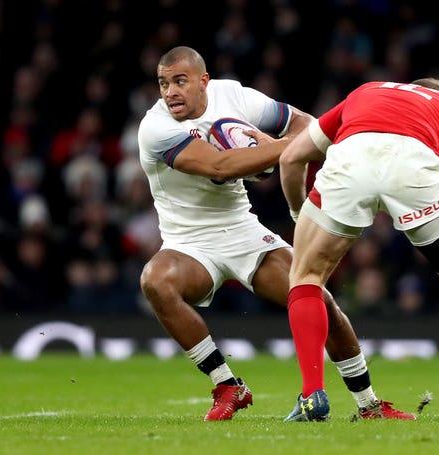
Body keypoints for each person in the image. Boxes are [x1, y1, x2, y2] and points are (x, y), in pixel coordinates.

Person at [136, 46, 414, 421]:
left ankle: (369, 405)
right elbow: (219, 166)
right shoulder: (156, 128)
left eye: (180, 81)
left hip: (242, 230)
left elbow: (304, 123)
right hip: (188, 242)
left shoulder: (233, 95)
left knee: (318, 301)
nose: (170, 91)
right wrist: (282, 149)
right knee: (156, 280)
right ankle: (227, 385)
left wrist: (289, 145)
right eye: (163, 83)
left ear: (204, 81)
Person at [279, 78, 439, 421]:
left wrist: (303, 215)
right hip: (414, 168)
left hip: (351, 162)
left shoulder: (367, 92)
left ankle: (312, 395)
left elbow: (291, 158)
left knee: (306, 276)